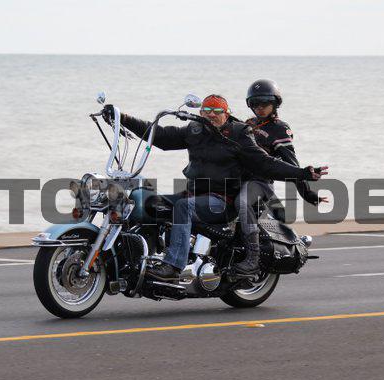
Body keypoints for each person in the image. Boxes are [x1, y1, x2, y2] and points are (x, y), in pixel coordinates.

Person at [102, 94, 327, 281]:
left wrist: (303, 174)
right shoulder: (194, 131)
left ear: (226, 114)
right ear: (200, 113)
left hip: (222, 199)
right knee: (144, 201)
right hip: (194, 194)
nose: (211, 114)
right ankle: (141, 259)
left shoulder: (239, 133)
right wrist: (123, 118)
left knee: (183, 207)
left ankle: (173, 266)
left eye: (217, 111)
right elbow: (159, 135)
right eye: (207, 110)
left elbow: (265, 163)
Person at [234, 79, 328, 274]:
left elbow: (291, 164)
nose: (259, 108)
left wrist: (307, 194)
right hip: (235, 180)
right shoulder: (247, 124)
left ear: (275, 104)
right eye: (255, 103)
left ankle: (253, 258)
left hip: (259, 183)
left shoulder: (279, 129)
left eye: (265, 103)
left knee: (242, 203)